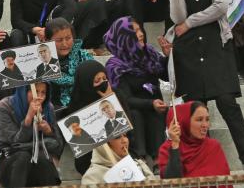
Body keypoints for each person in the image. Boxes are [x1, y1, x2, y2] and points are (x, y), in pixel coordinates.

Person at [166, 0, 244, 169]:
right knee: (196, 108)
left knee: (227, 101)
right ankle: (199, 161)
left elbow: (220, 6)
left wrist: (189, 23)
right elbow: (177, 17)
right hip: (188, 50)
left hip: (216, 44)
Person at [103, 17, 168, 161]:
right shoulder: (115, 66)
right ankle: (140, 158)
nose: (140, 34)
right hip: (133, 110)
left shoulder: (149, 53)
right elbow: (125, 100)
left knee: (155, 113)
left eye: (139, 29)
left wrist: (168, 56)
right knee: (136, 113)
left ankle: (160, 159)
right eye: (134, 31)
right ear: (123, 38)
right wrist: (150, 104)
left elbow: (167, 76)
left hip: (156, 108)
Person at [0, 83, 62, 188]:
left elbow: (58, 146)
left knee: (42, 158)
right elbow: (13, 143)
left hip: (39, 157)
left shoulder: (48, 107)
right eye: (35, 91)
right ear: (24, 90)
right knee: (23, 157)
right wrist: (28, 119)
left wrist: (49, 131)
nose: (39, 96)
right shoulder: (5, 105)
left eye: (43, 92)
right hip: (11, 158)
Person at [157, 101, 230, 179]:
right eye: (199, 120)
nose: (205, 125)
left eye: (207, 119)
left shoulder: (213, 146)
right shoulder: (166, 148)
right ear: (184, 122)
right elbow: (171, 182)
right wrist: (175, 145)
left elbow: (224, 182)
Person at [81, 134, 154, 185]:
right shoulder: (92, 176)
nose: (125, 140)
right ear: (103, 145)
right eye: (117, 137)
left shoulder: (139, 165)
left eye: (125, 135)